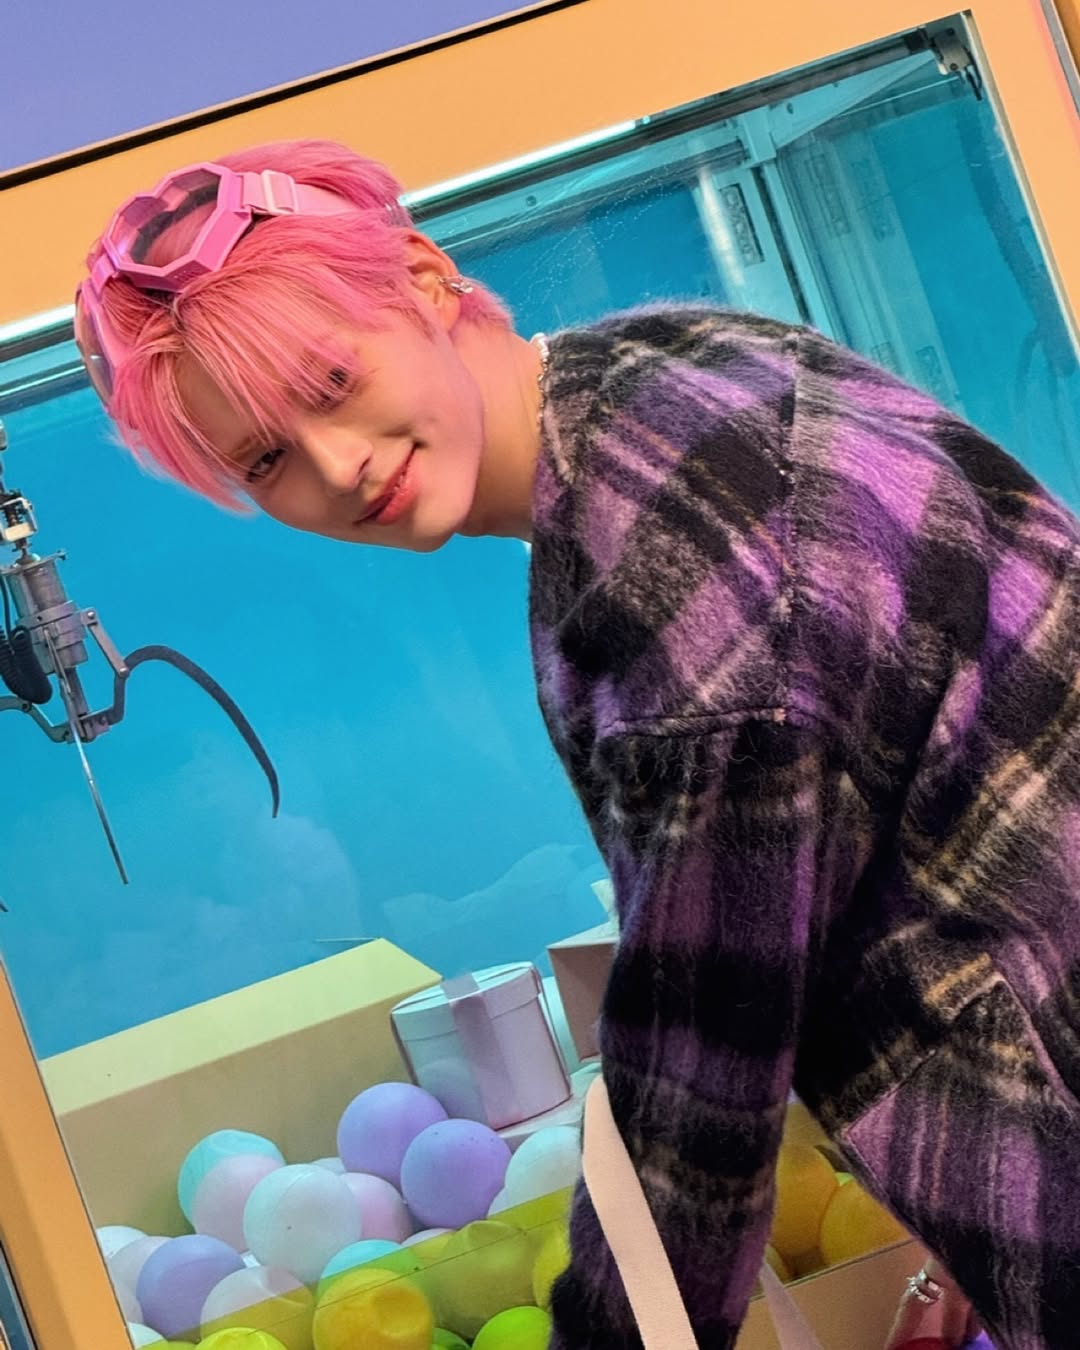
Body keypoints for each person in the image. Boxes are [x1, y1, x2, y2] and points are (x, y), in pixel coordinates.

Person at [74, 138, 1080, 1350]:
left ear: (424, 278)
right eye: (267, 460)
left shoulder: (669, 579)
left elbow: (695, 1098)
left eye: (330, 379)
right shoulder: (669, 364)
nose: (338, 465)